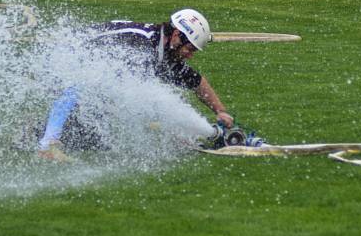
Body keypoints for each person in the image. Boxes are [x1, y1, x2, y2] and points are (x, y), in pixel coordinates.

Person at [37, 9, 234, 161]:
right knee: (83, 84)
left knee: (94, 139)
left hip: (86, 69)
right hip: (59, 63)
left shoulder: (164, 51)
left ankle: (32, 132)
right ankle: (47, 145)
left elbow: (195, 81)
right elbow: (136, 95)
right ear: (176, 35)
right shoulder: (141, 44)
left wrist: (220, 111)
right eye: (189, 49)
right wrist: (170, 129)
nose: (190, 55)